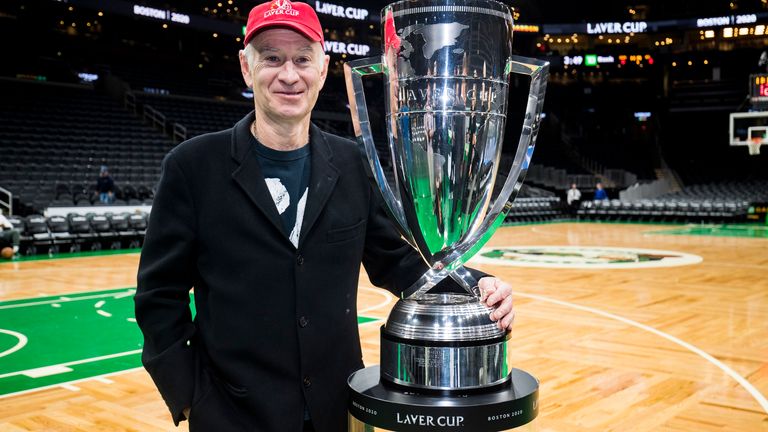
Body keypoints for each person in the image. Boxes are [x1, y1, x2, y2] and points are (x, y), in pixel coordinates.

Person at [133, 1, 516, 431]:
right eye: (272, 58)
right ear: (246, 67)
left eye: (302, 59)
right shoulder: (193, 166)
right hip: (234, 414)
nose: (289, 75)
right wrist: (189, 397)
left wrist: (475, 283)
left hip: (339, 410)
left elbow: (398, 263)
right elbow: (158, 296)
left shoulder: (351, 164)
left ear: (322, 68)